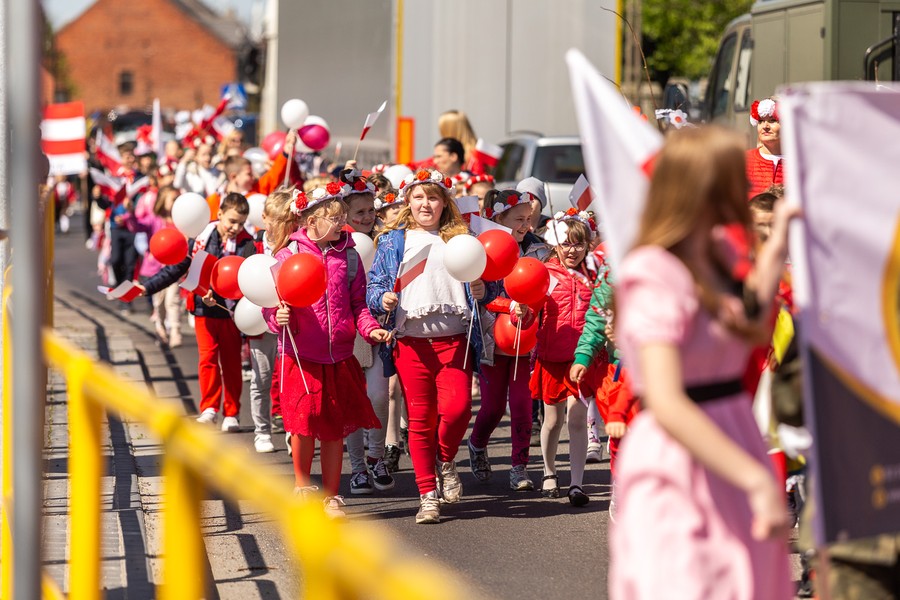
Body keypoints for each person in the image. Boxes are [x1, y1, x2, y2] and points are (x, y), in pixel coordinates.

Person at [609, 126, 793, 598]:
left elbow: (754, 328)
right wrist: (756, 479)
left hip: (733, 434)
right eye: (733, 177)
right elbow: (665, 399)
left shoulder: (722, 252)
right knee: (692, 581)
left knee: (746, 580)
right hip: (681, 451)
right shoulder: (652, 271)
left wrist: (778, 243)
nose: (744, 187)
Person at [366, 168, 499, 524]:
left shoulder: (463, 237)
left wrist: (484, 290)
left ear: (444, 202)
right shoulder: (393, 240)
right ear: (408, 201)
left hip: (455, 342)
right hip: (411, 344)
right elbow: (374, 287)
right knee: (421, 420)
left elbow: (491, 283)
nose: (426, 204)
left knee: (457, 411)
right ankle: (427, 495)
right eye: (419, 197)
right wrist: (383, 298)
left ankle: (446, 460)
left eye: (433, 197)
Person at [262, 183, 391, 517]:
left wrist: (370, 328)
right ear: (310, 221)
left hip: (340, 356)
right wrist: (277, 317)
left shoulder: (349, 256)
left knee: (334, 428)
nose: (341, 223)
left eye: (341, 217)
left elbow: (358, 304)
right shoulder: (287, 256)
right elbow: (272, 305)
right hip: (300, 355)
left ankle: (332, 496)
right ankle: (303, 487)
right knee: (304, 422)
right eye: (333, 218)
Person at [136, 193, 257, 432]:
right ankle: (209, 408)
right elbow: (177, 268)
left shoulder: (247, 244)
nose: (236, 228)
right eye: (232, 221)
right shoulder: (201, 237)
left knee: (232, 363)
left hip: (231, 312)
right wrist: (148, 287)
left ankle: (231, 412)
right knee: (207, 359)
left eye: (241, 223)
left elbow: (247, 279)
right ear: (219, 214)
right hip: (203, 309)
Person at [531, 209, 603, 507]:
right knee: (552, 420)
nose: (572, 250)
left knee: (576, 419)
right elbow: (527, 307)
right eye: (566, 244)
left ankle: (576, 483)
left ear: (588, 245)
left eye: (578, 244)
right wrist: (520, 310)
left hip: (582, 360)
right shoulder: (544, 273)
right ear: (555, 244)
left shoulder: (595, 276)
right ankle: (549, 472)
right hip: (552, 356)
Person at [467, 190, 538, 490]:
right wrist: (507, 304)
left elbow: (541, 290)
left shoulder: (537, 250)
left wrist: (529, 310)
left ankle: (519, 467)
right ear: (499, 218)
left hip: (525, 340)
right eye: (519, 219)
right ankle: (477, 444)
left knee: (522, 405)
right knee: (493, 408)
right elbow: (480, 298)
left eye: (529, 219)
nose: (525, 225)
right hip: (491, 341)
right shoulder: (482, 250)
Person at [340, 168, 396, 495]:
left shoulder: (386, 240)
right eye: (358, 212)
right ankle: (358, 467)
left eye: (370, 210)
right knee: (351, 400)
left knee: (379, 395)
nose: (366, 217)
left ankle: (377, 456)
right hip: (347, 330)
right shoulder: (337, 243)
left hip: (380, 326)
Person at [129, 185, 184, 345]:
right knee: (158, 303)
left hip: (175, 268)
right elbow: (137, 226)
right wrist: (130, 213)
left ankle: (175, 331)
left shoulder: (181, 222)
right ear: (163, 201)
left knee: (172, 300)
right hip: (156, 269)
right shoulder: (155, 220)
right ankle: (160, 328)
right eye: (173, 199)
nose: (176, 202)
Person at [746, 97, 784, 197]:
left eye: (772, 120)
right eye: (761, 121)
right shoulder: (744, 160)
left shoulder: (800, 162)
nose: (765, 126)